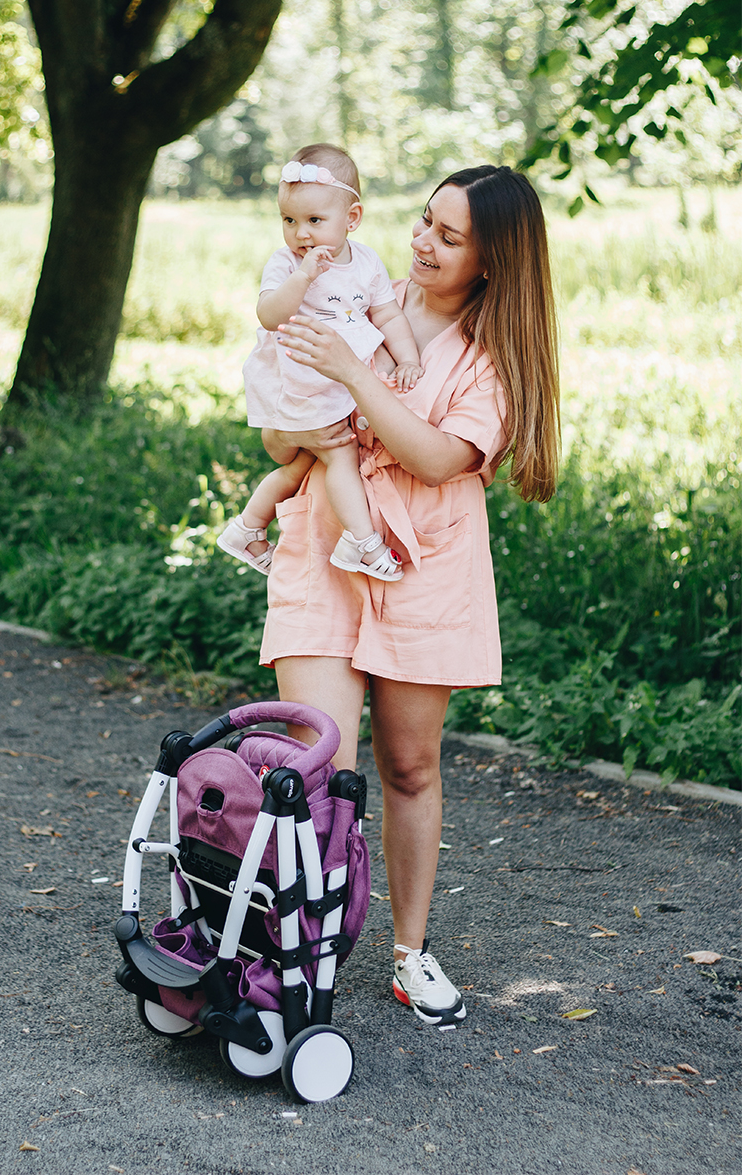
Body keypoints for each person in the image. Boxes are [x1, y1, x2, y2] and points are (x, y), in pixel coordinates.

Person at [260, 165, 560, 1028]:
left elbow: (436, 458)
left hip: (426, 562)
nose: (423, 242)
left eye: (449, 235)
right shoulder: (353, 287)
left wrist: (355, 377)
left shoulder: (494, 358)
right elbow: (281, 420)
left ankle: (408, 953)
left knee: (409, 766)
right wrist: (300, 418)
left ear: (493, 259)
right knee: (317, 765)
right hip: (328, 541)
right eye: (425, 222)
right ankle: (298, 953)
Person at [217, 144, 422, 582]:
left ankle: (247, 527)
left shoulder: (366, 261)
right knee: (340, 455)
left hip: (337, 380)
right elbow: (270, 315)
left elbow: (385, 314)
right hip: (303, 378)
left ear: (352, 219)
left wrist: (406, 358)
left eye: (314, 220)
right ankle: (362, 543)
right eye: (289, 220)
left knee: (302, 465)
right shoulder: (287, 263)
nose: (301, 233)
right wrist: (305, 275)